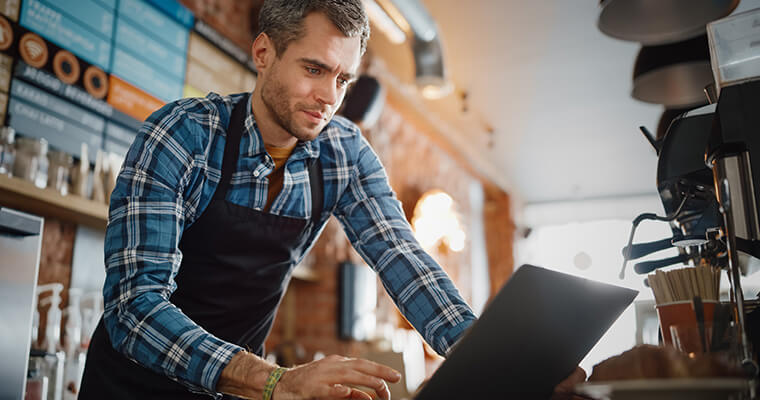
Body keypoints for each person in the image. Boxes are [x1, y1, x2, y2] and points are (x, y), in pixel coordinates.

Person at [79, 1, 585, 399]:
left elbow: (403, 259)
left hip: (242, 393)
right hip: (132, 385)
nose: (329, 96)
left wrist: (507, 364)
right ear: (263, 53)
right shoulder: (183, 135)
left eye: (342, 78)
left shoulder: (343, 153)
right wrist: (276, 382)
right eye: (314, 69)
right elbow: (134, 309)